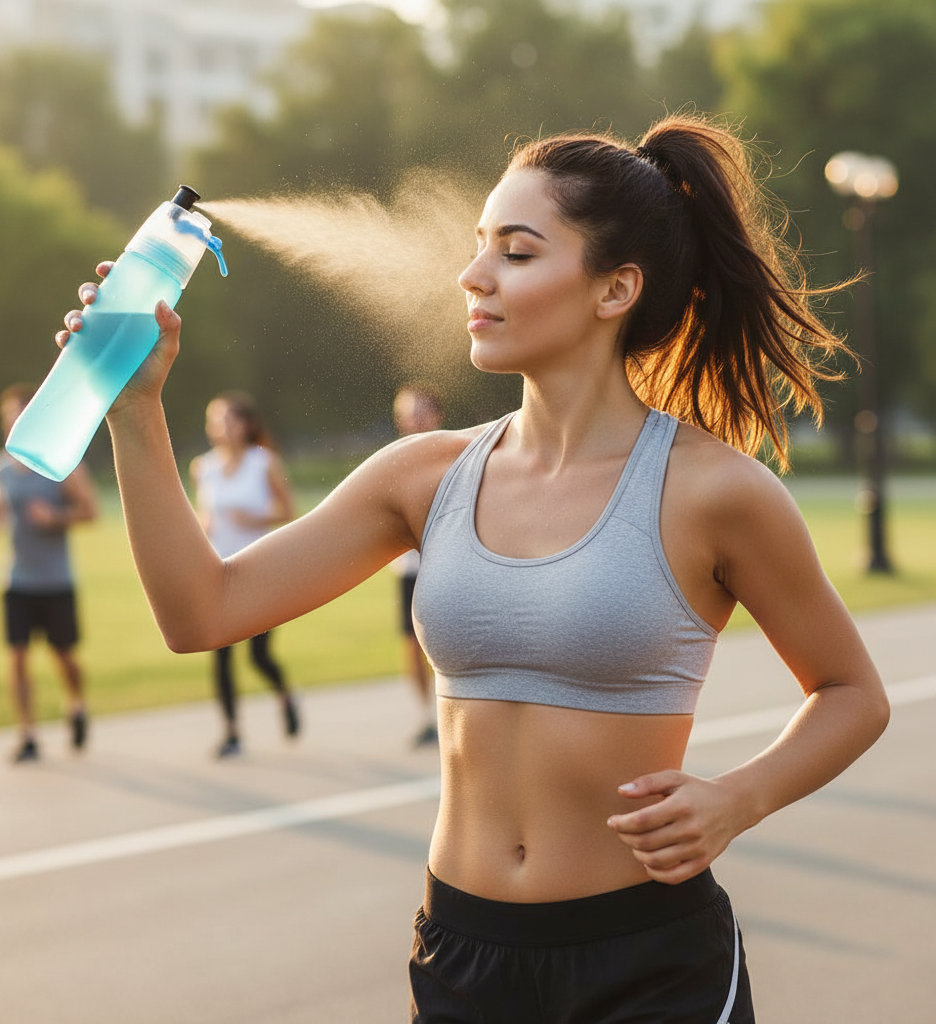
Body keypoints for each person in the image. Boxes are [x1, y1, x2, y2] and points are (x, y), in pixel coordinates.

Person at [57, 113, 889, 1022]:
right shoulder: (423, 476)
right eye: (477, 245)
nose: (473, 275)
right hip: (462, 959)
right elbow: (201, 613)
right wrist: (135, 411)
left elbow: (851, 691)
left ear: (615, 290)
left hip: (651, 965)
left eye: (517, 252)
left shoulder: (714, 492)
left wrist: (739, 798)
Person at [0, 383, 98, 763]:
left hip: (56, 580)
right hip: (15, 579)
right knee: (17, 657)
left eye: (18, 413)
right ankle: (27, 733)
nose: (12, 422)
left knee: (64, 657)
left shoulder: (63, 463)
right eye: (7, 416)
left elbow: (91, 512)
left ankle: (76, 704)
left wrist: (55, 517)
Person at [190, 390, 300, 758]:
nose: (220, 426)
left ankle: (284, 696)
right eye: (215, 419)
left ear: (246, 424)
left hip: (258, 570)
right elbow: (206, 518)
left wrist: (255, 518)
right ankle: (232, 732)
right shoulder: (202, 467)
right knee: (219, 653)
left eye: (228, 418)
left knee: (258, 656)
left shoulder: (263, 462)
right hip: (218, 571)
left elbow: (289, 510)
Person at [391, 384, 443, 746]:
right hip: (410, 568)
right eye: (409, 412)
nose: (416, 417)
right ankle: (426, 716)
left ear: (436, 414)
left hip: (447, 565)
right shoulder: (393, 460)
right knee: (411, 644)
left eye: (422, 410)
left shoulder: (457, 452)